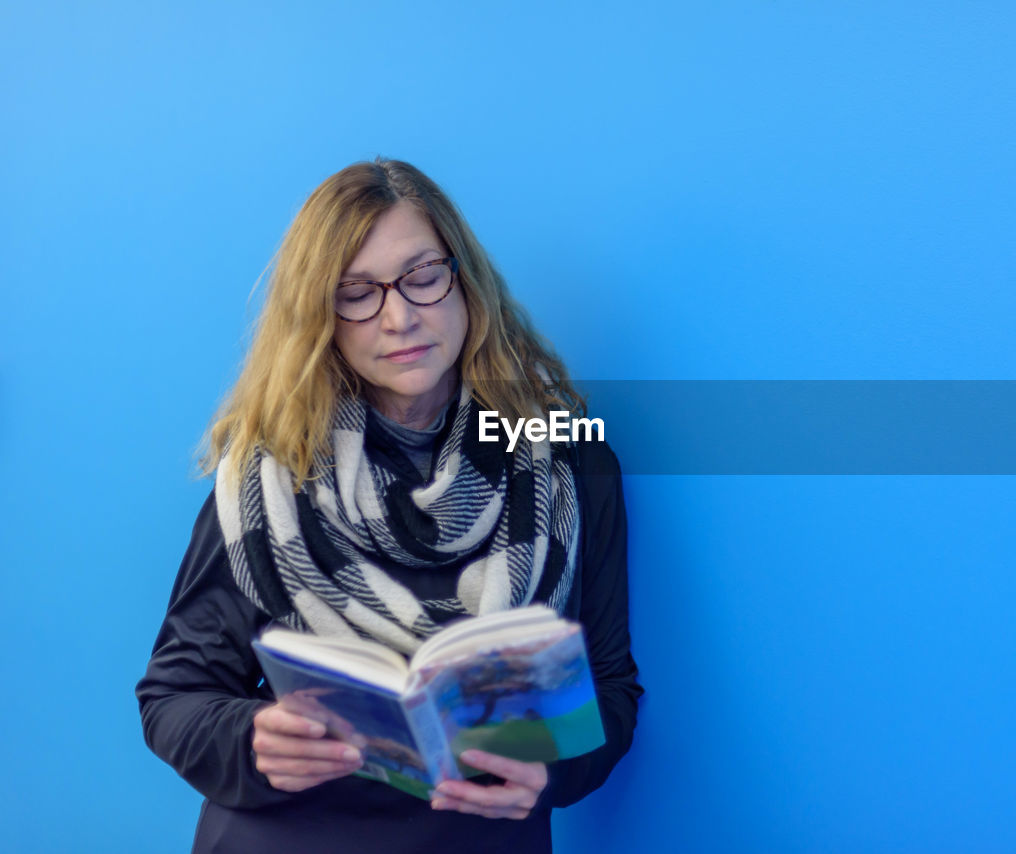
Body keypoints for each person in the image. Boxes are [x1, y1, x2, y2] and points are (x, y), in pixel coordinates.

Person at [136, 159, 642, 854]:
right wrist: (250, 738)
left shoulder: (570, 466)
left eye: (422, 277)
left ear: (465, 280)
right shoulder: (271, 472)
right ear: (321, 316)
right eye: (357, 293)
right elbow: (173, 695)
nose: (399, 317)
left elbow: (611, 685)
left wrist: (552, 772)